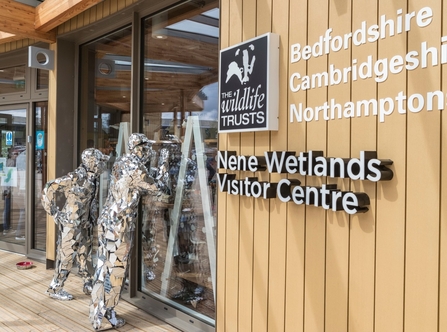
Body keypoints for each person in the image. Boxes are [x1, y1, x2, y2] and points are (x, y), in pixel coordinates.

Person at [89, 133, 159, 330]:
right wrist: (162, 164)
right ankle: (109, 313)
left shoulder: (122, 161)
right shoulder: (136, 166)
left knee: (103, 267)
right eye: (147, 147)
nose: (149, 151)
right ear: (139, 147)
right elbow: (157, 188)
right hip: (120, 225)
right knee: (117, 270)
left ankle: (96, 313)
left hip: (107, 220)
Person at [42, 148, 110, 301]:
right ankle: (55, 288)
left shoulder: (94, 178)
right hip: (71, 224)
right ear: (91, 162)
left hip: (85, 224)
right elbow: (48, 188)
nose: (102, 165)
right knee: (67, 256)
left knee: (84, 255)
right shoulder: (74, 177)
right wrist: (55, 213)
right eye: (99, 162)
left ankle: (87, 283)